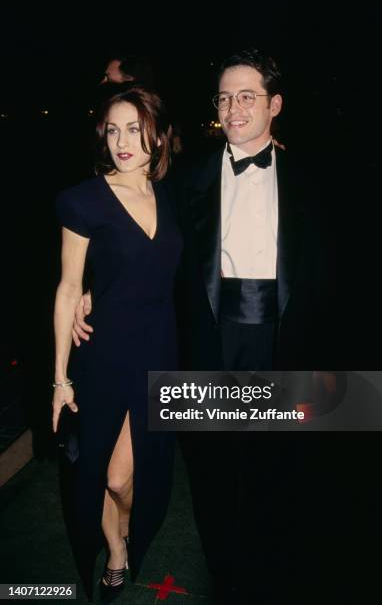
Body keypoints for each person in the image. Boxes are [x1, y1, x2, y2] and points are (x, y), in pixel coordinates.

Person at [73, 49, 339, 603]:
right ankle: (224, 573)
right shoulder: (185, 180)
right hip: (210, 343)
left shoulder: (316, 183)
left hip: (281, 342)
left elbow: (336, 282)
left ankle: (267, 573)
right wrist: (93, 289)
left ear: (275, 105)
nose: (233, 108)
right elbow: (147, 249)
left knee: (274, 469)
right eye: (224, 97)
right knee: (214, 473)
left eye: (247, 96)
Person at [52, 82, 182, 603]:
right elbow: (66, 288)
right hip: (104, 355)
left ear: (157, 134)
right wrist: (59, 378)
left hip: (160, 352)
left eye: (134, 129)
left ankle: (125, 531)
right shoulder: (83, 200)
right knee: (107, 474)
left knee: (131, 476)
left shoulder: (173, 196)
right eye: (112, 130)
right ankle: (116, 548)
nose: (121, 142)